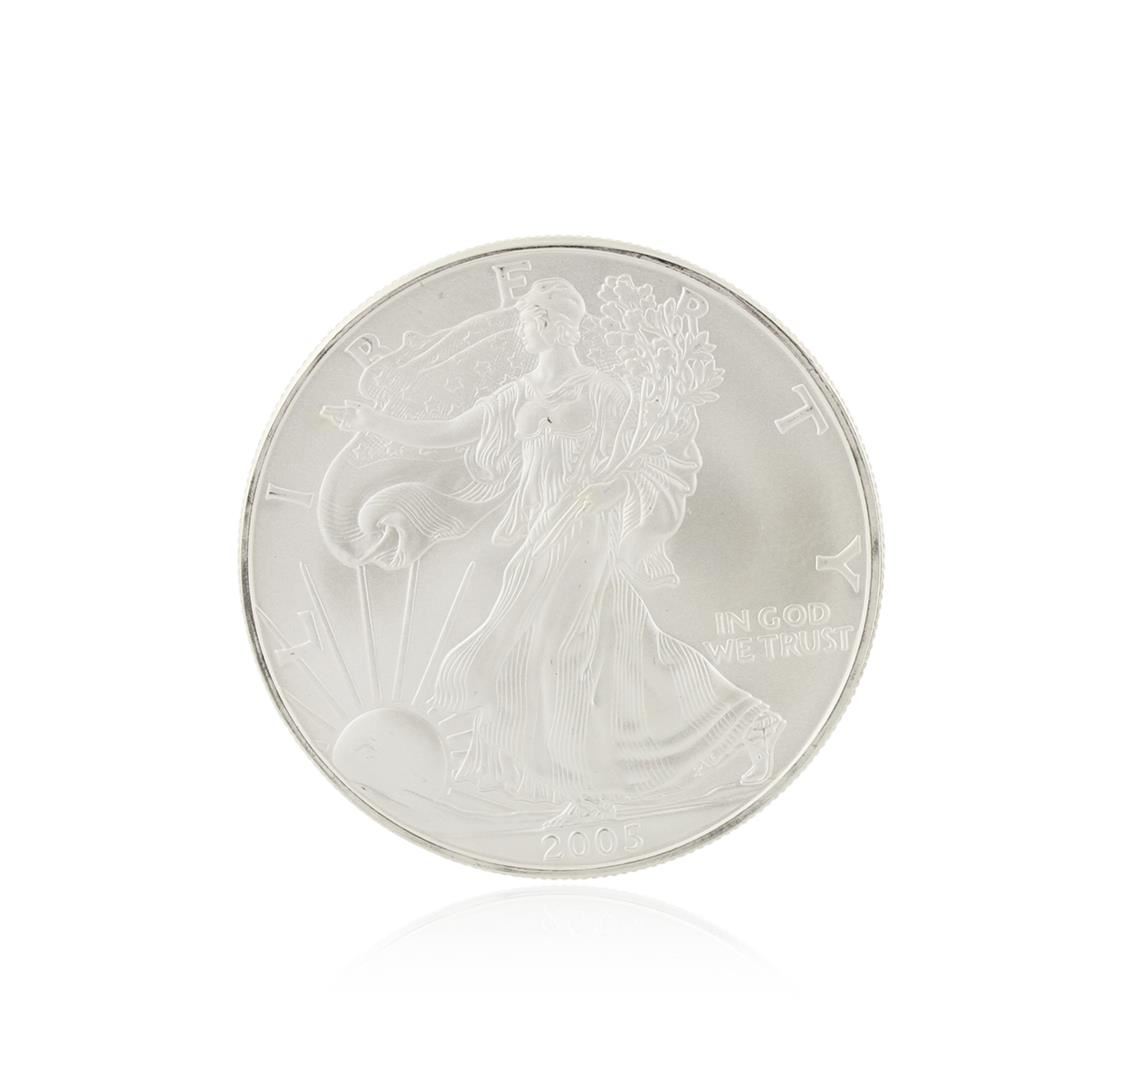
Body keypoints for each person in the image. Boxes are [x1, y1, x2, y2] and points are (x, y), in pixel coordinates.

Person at [323, 278, 782, 814]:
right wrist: (373, 421)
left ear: (550, 323)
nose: (521, 330)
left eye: (525, 320)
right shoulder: (517, 394)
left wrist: (615, 488)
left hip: (587, 532)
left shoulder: (603, 392)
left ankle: (579, 784)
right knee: (627, 647)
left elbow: (656, 456)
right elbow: (448, 432)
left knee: (551, 649)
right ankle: (746, 725)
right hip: (544, 530)